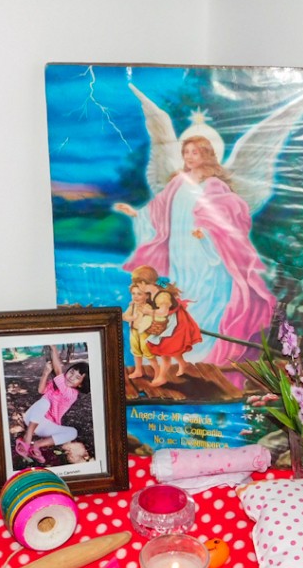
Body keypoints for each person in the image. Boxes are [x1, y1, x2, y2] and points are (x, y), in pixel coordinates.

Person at [114, 135, 276, 367]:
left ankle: (203, 353)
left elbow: (233, 216)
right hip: (180, 252)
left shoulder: (214, 185)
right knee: (183, 293)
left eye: (195, 152)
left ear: (206, 154)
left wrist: (207, 233)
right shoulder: (178, 182)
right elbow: (157, 210)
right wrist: (136, 214)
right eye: (186, 152)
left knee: (207, 296)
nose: (189, 157)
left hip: (208, 253)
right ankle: (179, 350)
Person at [14, 345, 90, 464]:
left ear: (80, 384)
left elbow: (58, 371)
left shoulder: (71, 394)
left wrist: (54, 349)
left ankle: (37, 445)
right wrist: (45, 373)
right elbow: (41, 390)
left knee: (73, 432)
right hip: (32, 418)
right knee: (45, 402)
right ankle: (27, 437)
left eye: (77, 377)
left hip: (46, 426)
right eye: (71, 372)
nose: (71, 377)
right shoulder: (57, 383)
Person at [129, 265, 202, 386]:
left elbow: (163, 312)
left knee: (165, 350)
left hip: (175, 324)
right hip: (166, 323)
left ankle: (162, 377)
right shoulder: (152, 293)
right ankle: (183, 363)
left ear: (143, 283)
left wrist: (149, 312)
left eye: (137, 284)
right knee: (172, 348)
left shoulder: (162, 296)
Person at [122, 282, 156, 379]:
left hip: (144, 333)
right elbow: (124, 316)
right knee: (136, 351)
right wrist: (132, 318)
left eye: (139, 294)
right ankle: (138, 370)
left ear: (146, 296)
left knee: (147, 352)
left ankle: (157, 372)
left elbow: (152, 318)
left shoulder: (147, 307)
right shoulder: (133, 306)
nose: (135, 296)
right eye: (133, 293)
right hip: (134, 331)